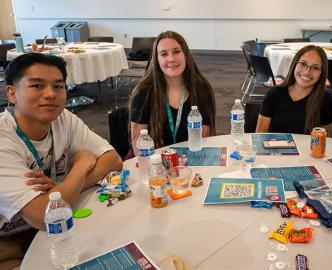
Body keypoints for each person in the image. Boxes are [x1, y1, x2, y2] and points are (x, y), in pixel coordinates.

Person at [0, 53, 123, 269]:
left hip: (59, 232)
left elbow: (113, 160)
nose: (50, 94)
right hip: (9, 244)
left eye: (58, 86)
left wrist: (58, 190)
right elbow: (43, 216)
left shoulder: (63, 118)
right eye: (37, 86)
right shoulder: (4, 140)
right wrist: (80, 167)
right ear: (12, 93)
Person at [129, 31, 216, 154]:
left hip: (191, 159)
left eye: (176, 51)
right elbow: (138, 145)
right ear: (157, 60)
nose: (171, 59)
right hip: (155, 163)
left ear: (185, 54)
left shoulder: (201, 88)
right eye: (164, 54)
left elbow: (204, 139)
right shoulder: (144, 91)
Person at [256, 45, 332, 134]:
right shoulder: (274, 94)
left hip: (308, 148)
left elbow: (323, 140)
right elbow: (260, 134)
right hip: (275, 147)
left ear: (322, 73)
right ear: (294, 64)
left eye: (316, 68)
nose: (307, 72)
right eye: (303, 64)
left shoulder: (326, 101)